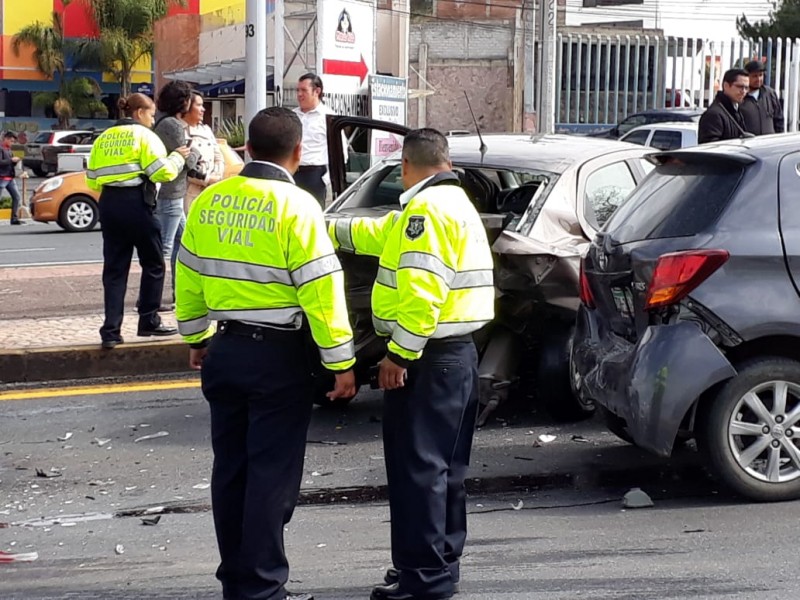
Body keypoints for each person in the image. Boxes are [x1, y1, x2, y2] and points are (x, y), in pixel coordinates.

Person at [175, 106, 357, 600]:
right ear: (298, 153)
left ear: (248, 149)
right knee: (270, 478)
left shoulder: (210, 201)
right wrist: (340, 363)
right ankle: (262, 587)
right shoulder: (297, 206)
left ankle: (237, 579)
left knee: (231, 471)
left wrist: (195, 338)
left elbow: (187, 273)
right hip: (278, 357)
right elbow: (322, 289)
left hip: (226, 349)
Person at [327, 128, 495, 600]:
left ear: (404, 167)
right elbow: (376, 233)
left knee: (418, 471)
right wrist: (323, 224)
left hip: (428, 359)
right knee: (445, 471)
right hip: (456, 356)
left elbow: (422, 295)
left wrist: (398, 355)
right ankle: (440, 566)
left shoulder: (424, 212)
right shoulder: (453, 205)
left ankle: (423, 579)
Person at [86, 93, 189, 349]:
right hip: (137, 203)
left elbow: (91, 179)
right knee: (154, 263)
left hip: (109, 204)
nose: (153, 119)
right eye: (151, 114)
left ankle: (111, 331)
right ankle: (148, 320)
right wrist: (178, 157)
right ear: (140, 112)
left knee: (114, 269)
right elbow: (162, 172)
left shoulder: (103, 138)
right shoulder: (144, 136)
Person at [154, 80, 202, 311]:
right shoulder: (172, 125)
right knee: (164, 249)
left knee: (181, 245)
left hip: (172, 193)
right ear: (181, 102)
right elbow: (188, 160)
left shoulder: (165, 122)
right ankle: (151, 301)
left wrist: (188, 152)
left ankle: (177, 293)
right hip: (170, 193)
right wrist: (194, 151)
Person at [293, 73, 334, 207]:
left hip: (315, 176)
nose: (299, 94)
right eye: (297, 90)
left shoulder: (328, 117)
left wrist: (326, 180)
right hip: (292, 173)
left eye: (304, 90)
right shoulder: (292, 116)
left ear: (317, 91)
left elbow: (340, 153)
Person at [183, 91, 224, 213]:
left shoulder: (206, 130)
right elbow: (185, 168)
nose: (203, 109)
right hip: (191, 192)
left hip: (212, 190)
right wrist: (207, 179)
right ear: (187, 107)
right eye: (199, 105)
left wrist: (217, 175)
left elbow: (218, 156)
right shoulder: (180, 131)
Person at [698, 68, 752, 144]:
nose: (744, 91)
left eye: (746, 88)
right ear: (726, 86)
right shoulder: (714, 114)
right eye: (740, 87)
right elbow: (709, 148)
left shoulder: (735, 110)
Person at [740, 59, 785, 136]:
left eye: (761, 75)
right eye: (754, 76)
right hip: (749, 144)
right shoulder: (740, 96)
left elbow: (779, 120)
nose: (758, 79)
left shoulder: (770, 93)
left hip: (769, 143)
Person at [0, 132, 23, 225]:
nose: (12, 143)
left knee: (17, 197)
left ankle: (14, 218)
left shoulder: (9, 149)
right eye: (11, 141)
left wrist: (15, 162)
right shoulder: (1, 148)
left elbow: (9, 162)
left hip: (10, 177)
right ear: (6, 139)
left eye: (13, 141)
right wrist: (11, 160)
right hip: (2, 177)